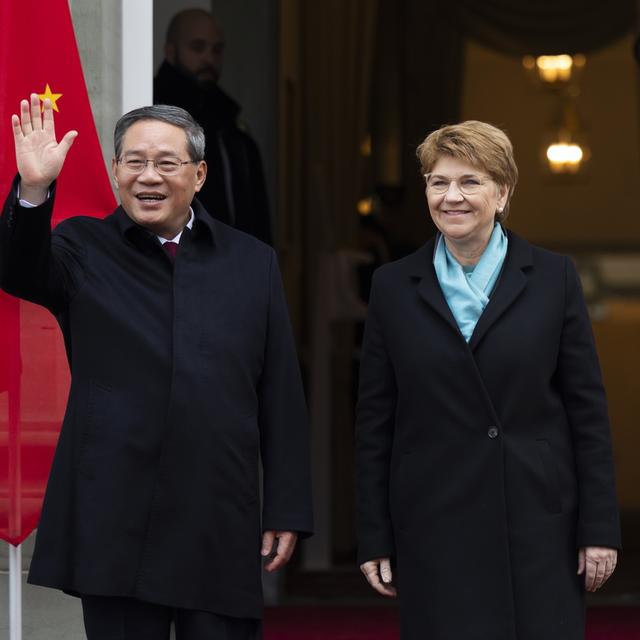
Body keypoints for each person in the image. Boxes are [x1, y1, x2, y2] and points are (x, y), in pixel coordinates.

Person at [0, 95, 313, 639]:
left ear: (199, 174)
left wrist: (286, 506)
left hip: (214, 511)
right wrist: (33, 191)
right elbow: (18, 271)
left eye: (166, 163)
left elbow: (279, 393)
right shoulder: (82, 247)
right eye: (134, 162)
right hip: (115, 511)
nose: (149, 176)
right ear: (116, 170)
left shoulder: (249, 261)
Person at [355, 120, 620, 640]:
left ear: (503, 192)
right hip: (433, 521)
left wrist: (599, 530)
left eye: (470, 182)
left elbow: (588, 413)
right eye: (438, 182)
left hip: (538, 523)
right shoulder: (392, 285)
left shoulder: (553, 278)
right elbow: (374, 421)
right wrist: (374, 536)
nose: (451, 196)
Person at [154, 8, 272, 245]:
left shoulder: (231, 129)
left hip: (233, 264)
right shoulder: (152, 118)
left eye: (216, 50)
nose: (209, 59)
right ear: (170, 51)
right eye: (197, 47)